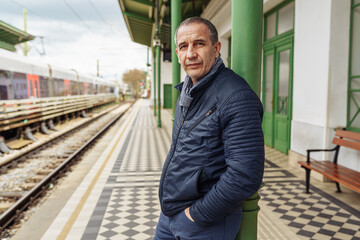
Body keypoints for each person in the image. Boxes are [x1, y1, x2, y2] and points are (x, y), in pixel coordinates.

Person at [154, 17, 264, 240]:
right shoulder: (189, 91)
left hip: (206, 222)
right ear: (177, 54)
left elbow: (245, 174)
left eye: (199, 44)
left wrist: (195, 215)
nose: (191, 53)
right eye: (183, 47)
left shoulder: (236, 96)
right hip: (171, 214)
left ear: (216, 48)